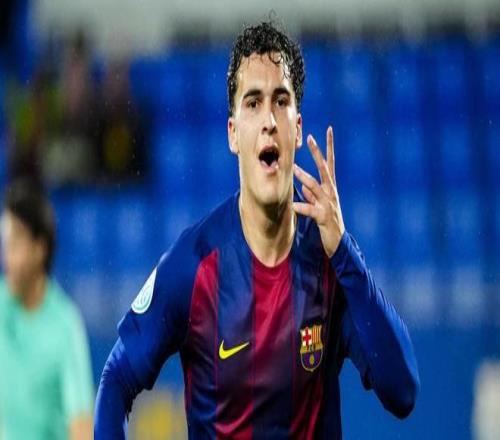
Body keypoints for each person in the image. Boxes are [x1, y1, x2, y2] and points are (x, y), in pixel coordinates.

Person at [94, 21, 419, 439]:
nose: (268, 119)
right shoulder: (194, 266)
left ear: (297, 129)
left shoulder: (331, 260)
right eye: (253, 103)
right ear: (233, 134)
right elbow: (117, 379)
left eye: (281, 101)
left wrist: (344, 253)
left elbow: (402, 391)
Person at [0, 179, 94, 440]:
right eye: (5, 244)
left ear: (39, 248)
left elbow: (81, 426)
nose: (6, 257)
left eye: (15, 244)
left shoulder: (65, 325)